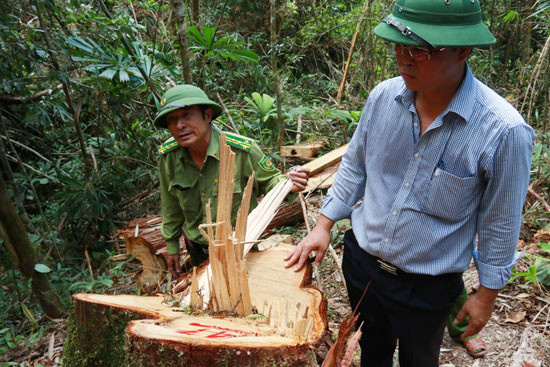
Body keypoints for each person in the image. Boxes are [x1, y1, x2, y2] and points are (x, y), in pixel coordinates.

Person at [284, 0, 534, 366]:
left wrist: (486, 294)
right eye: (399, 46)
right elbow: (355, 165)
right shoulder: (384, 98)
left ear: (463, 50)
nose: (405, 59)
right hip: (364, 263)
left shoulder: (502, 131)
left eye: (420, 49)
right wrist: (324, 225)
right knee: (372, 348)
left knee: (419, 358)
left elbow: (501, 222)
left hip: (428, 284)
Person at [154, 84, 309, 278]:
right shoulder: (169, 157)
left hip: (242, 247)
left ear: (207, 115)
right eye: (172, 120)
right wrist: (171, 245)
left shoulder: (242, 151)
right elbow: (171, 204)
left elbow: (272, 182)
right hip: (199, 251)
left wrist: (289, 183)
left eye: (187, 115)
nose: (179, 126)